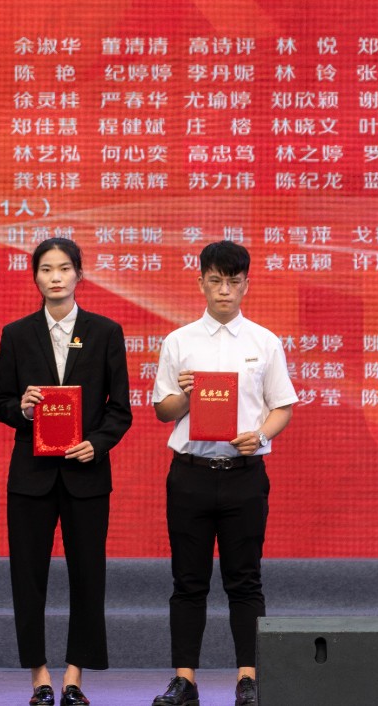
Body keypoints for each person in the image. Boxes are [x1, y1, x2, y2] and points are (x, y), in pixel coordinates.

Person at [148, 241, 296, 706]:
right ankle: (184, 680)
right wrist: (186, 396)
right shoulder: (179, 341)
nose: (224, 290)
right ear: (201, 283)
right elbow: (163, 411)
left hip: (243, 474)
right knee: (187, 581)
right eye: (215, 281)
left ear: (246, 284)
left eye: (233, 281)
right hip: (190, 474)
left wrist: (261, 435)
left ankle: (248, 679)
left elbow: (282, 406)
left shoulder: (264, 342)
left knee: (245, 580)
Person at [0, 238, 132, 706]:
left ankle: (74, 677)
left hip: (85, 474)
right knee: (27, 577)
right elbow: (1, 403)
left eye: (65, 268)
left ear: (79, 275)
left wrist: (98, 443)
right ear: (35, 276)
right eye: (47, 269)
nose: (55, 277)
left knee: (87, 576)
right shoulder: (16, 334)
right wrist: (23, 409)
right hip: (30, 476)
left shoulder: (105, 332)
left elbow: (120, 409)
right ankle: (40, 677)